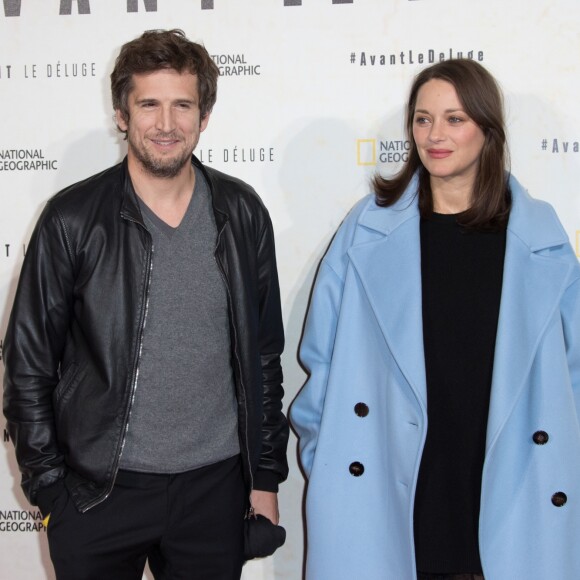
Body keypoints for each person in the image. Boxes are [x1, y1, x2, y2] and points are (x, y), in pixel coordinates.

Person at [3, 29, 288, 579]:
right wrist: (49, 491)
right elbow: (28, 363)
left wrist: (264, 478)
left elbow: (263, 359)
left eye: (183, 105)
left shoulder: (242, 212)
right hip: (97, 493)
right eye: (149, 104)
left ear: (204, 116)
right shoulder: (73, 218)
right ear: (121, 115)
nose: (166, 123)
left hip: (215, 488)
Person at [290, 58, 580, 580]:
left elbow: (575, 369)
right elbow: (321, 359)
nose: (435, 135)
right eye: (422, 119)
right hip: (388, 482)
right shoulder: (367, 230)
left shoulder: (540, 236)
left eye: (454, 119)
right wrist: (332, 463)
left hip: (510, 483)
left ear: (487, 130)